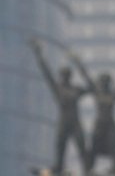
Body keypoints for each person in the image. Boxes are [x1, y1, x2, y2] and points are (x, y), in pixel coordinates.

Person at [70, 54, 115, 175]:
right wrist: (77, 62)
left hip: (110, 124)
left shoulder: (113, 94)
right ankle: (89, 169)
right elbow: (86, 77)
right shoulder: (97, 93)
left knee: (114, 148)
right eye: (102, 81)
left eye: (106, 81)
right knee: (94, 148)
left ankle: (114, 169)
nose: (103, 83)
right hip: (99, 124)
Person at [29, 39, 88, 176]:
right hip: (64, 122)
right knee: (60, 150)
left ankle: (87, 170)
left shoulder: (76, 89)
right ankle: (57, 169)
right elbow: (47, 73)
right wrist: (39, 54)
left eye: (66, 75)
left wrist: (78, 64)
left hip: (75, 122)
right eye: (62, 75)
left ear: (69, 76)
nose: (63, 77)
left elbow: (91, 87)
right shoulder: (58, 89)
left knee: (82, 148)